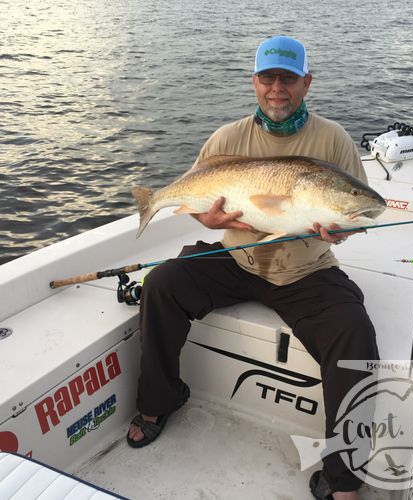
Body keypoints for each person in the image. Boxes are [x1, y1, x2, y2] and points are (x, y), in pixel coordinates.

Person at [127, 35, 379, 500]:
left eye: (288, 79)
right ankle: (159, 400)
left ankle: (343, 478)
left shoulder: (334, 139)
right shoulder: (227, 137)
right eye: (268, 78)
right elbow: (198, 196)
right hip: (237, 258)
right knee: (161, 284)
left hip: (306, 269)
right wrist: (203, 216)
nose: (277, 89)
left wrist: (343, 230)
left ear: (307, 82)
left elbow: (358, 212)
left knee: (354, 334)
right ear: (255, 81)